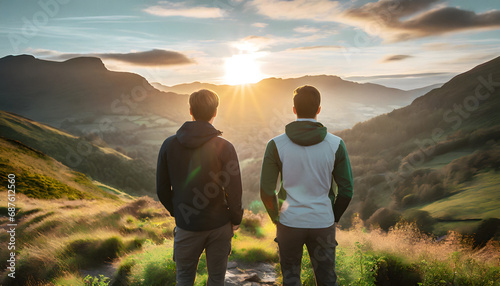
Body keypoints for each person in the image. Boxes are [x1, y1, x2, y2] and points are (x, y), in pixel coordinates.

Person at [260, 85, 353, 286]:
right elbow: (346, 191)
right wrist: (333, 217)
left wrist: (277, 218)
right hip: (322, 222)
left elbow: (267, 191)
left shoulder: (276, 144)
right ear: (319, 109)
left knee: (291, 278)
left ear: (294, 109)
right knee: (327, 279)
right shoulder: (336, 144)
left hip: (289, 222)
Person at [157, 89, 243, 286]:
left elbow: (162, 189)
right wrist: (236, 219)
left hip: (186, 226)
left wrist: (179, 212)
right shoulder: (225, 146)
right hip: (219, 225)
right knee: (216, 280)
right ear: (215, 112)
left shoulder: (169, 145)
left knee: (184, 280)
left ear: (190, 111)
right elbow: (235, 191)